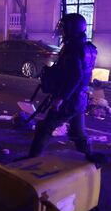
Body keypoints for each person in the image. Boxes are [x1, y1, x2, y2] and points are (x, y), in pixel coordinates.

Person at [28, 13, 108, 166]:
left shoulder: (74, 49)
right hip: (79, 98)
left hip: (70, 100)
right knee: (77, 131)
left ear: (72, 29)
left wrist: (60, 98)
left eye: (64, 28)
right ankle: (90, 157)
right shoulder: (84, 47)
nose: (62, 31)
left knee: (44, 128)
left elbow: (75, 77)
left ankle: (30, 161)